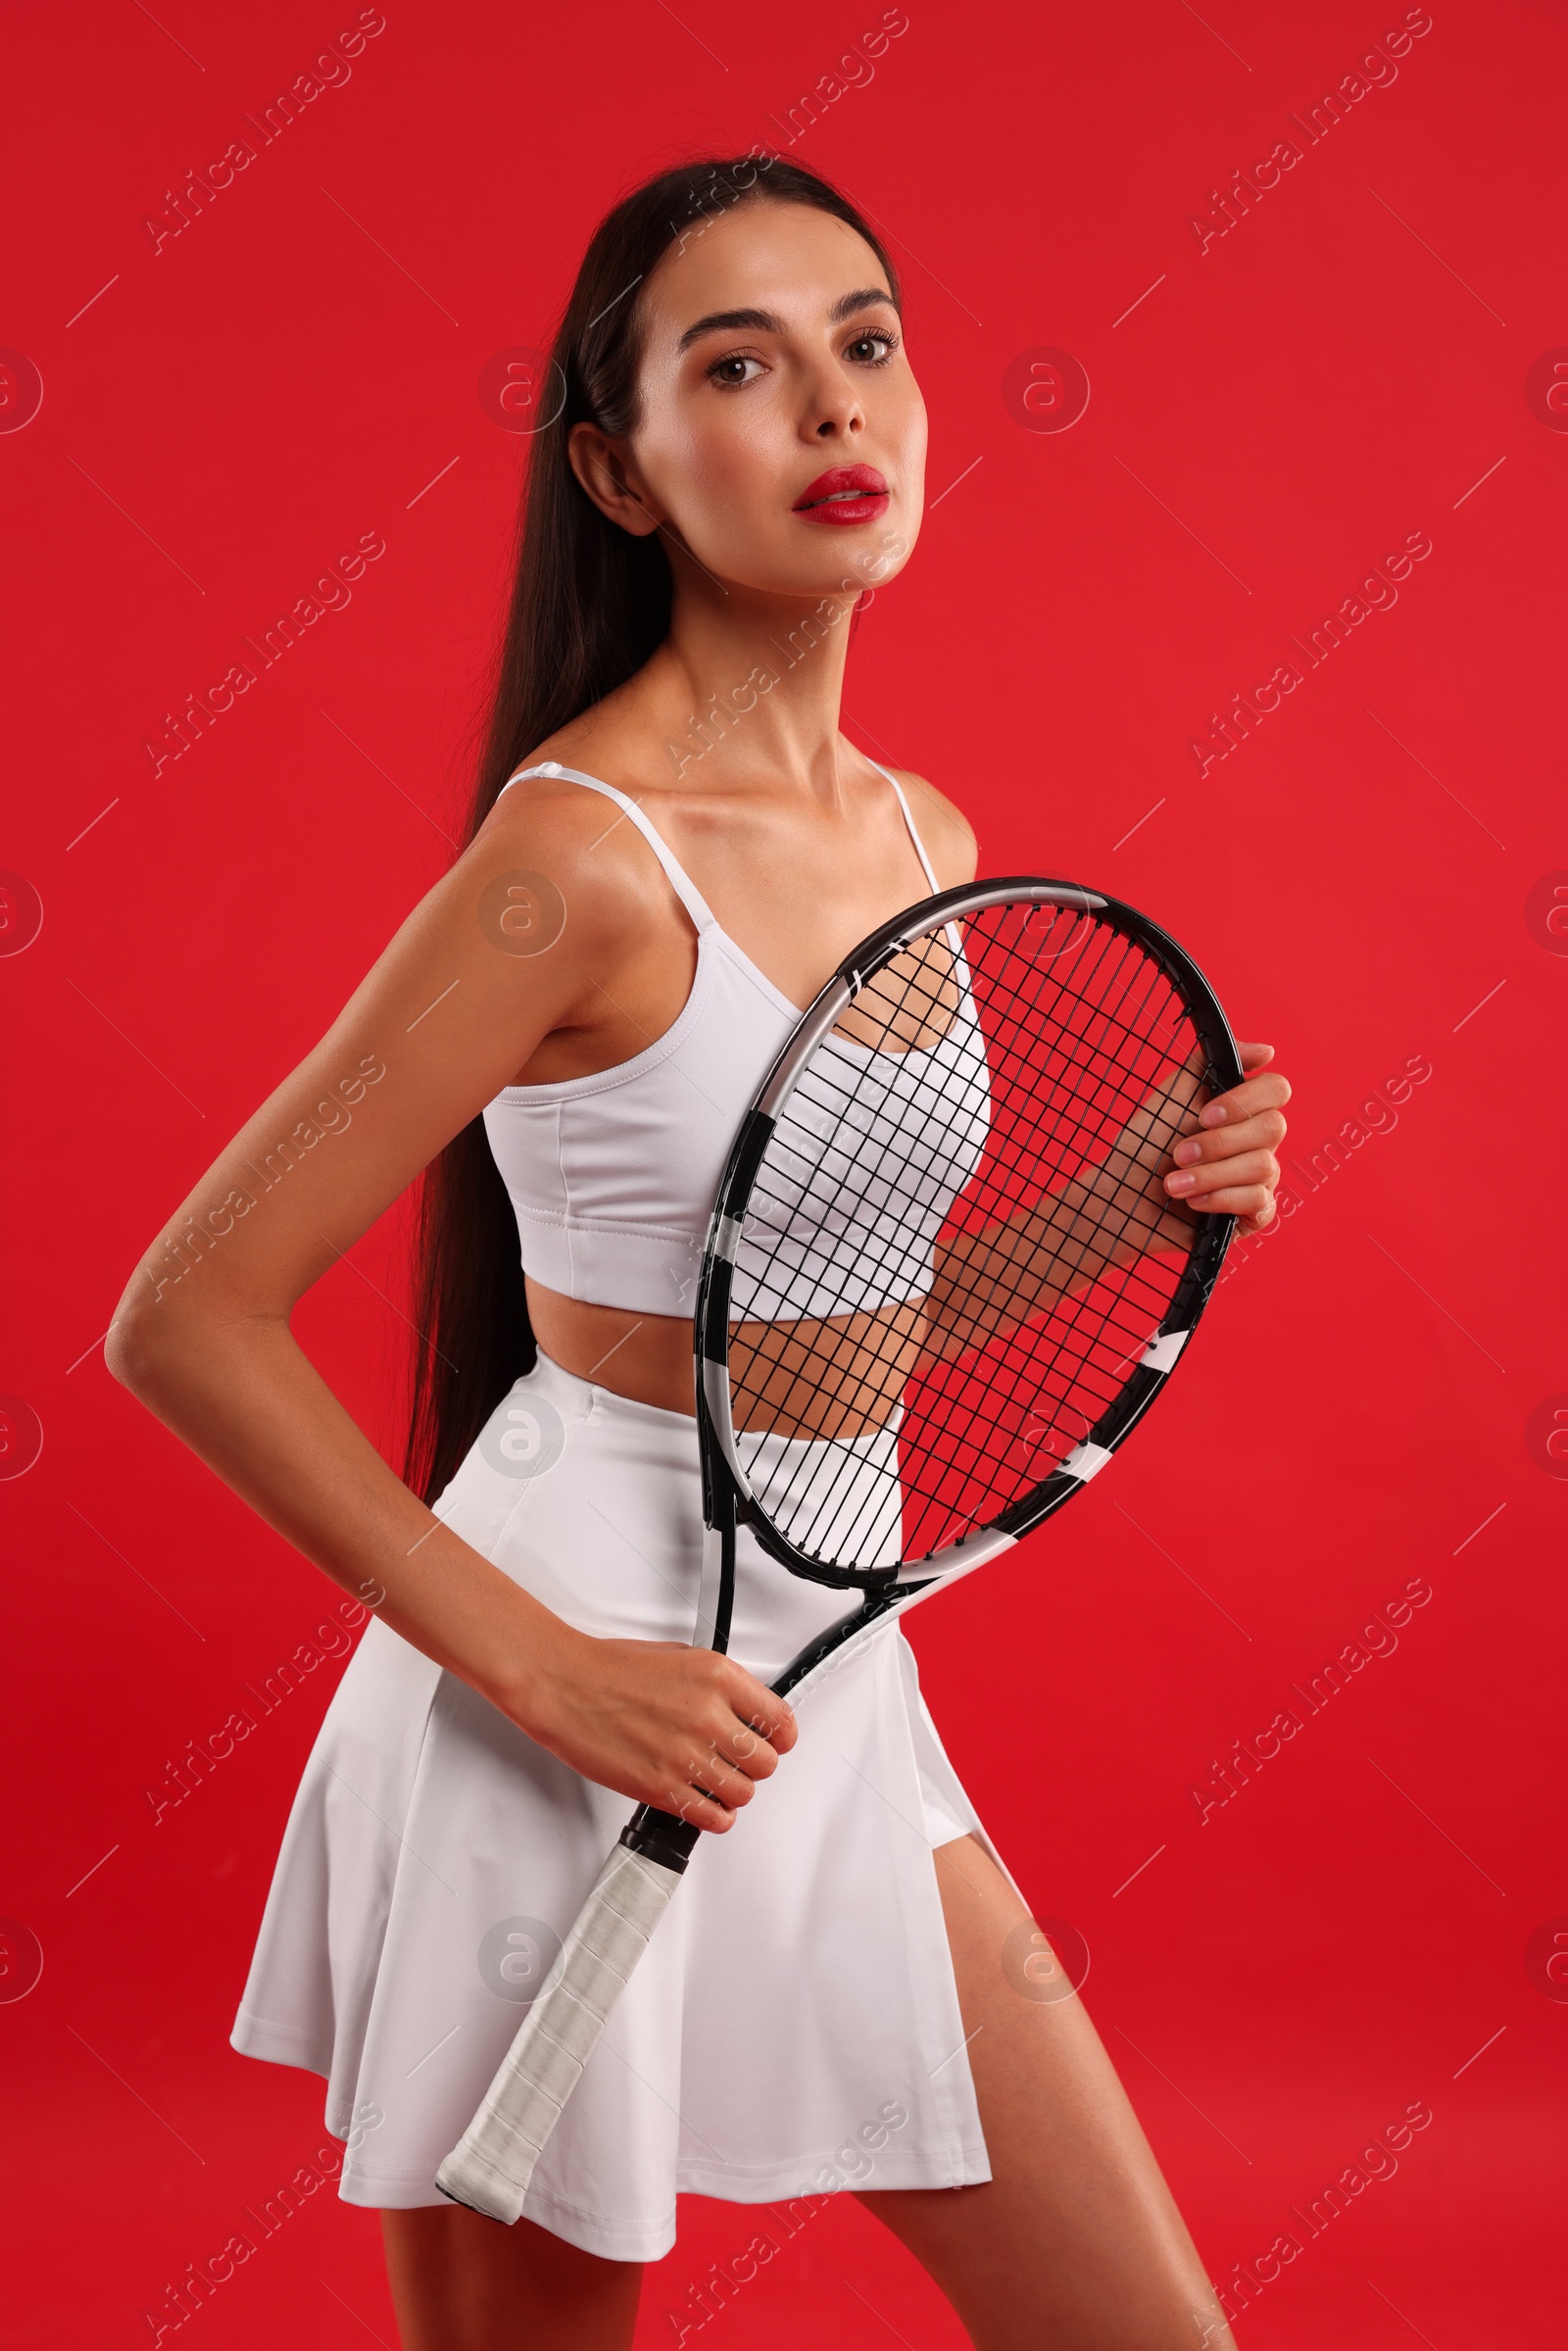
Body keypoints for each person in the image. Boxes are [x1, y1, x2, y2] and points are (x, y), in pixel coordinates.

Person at [108, 153, 1289, 2351]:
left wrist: (1112, 1218)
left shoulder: (922, 835)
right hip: (558, 1689)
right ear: (617, 471)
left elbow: (826, 1321)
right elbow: (182, 1314)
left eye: (864, 344)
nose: (835, 410)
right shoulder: (577, 855)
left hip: (824, 1677)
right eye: (734, 367)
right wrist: (546, 1677)